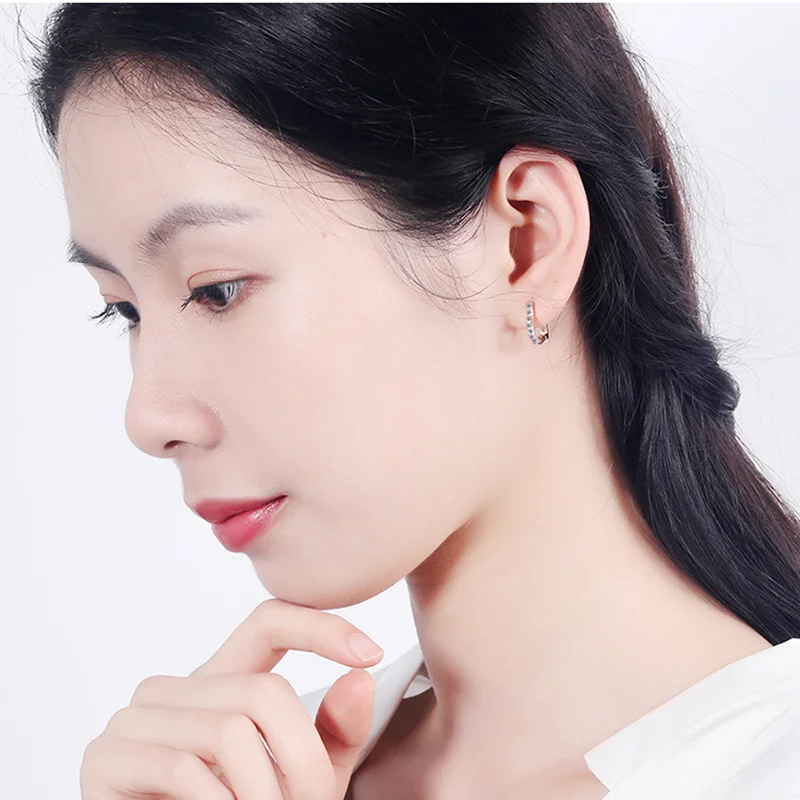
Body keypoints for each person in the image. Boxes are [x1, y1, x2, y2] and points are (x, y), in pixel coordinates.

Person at [26, 4, 800, 799]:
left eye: (217, 289)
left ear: (526, 239)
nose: (149, 417)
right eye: (124, 310)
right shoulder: (242, 780)